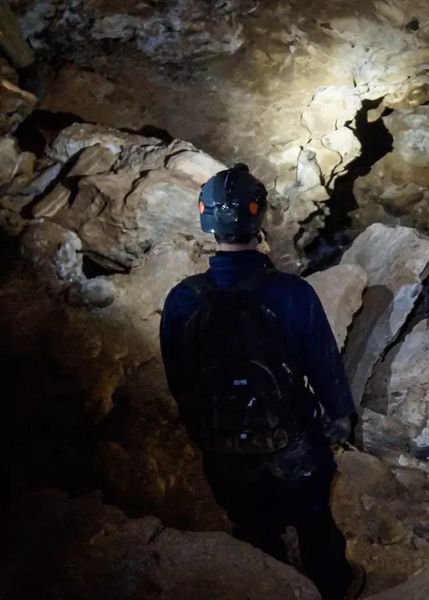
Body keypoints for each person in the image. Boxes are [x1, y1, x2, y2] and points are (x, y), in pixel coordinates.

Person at [159, 163, 356, 600]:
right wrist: (340, 417)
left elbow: (181, 382)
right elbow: (324, 367)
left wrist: (207, 435)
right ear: (259, 219)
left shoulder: (182, 300)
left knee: (255, 530)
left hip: (224, 452)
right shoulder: (290, 293)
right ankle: (333, 586)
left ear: (206, 221)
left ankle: (271, 585)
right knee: (315, 524)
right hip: (291, 447)